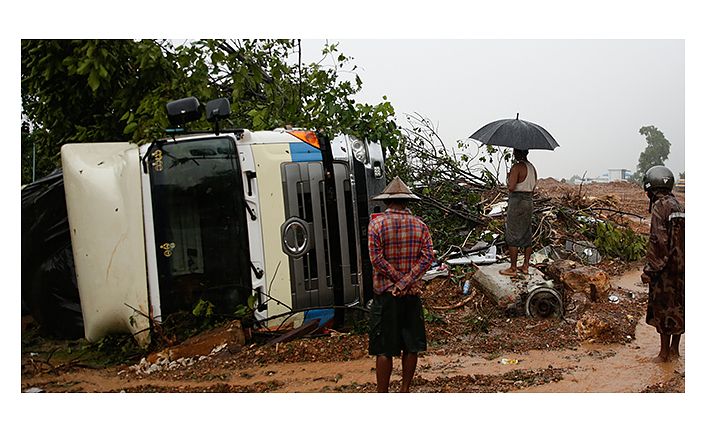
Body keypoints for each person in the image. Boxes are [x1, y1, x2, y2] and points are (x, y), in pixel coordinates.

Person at [367, 176, 434, 392]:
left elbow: (376, 259)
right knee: (411, 345)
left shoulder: (376, 224)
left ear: (387, 202)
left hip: (386, 295)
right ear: (407, 202)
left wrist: (398, 281)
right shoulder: (420, 225)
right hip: (411, 294)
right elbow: (427, 258)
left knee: (384, 349)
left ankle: (383, 393)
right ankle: (405, 390)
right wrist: (406, 282)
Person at [640, 166, 685, 362]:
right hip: (682, 268)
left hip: (665, 271)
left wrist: (650, 271)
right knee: (679, 308)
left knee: (664, 310)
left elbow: (658, 242)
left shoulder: (660, 207)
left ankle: (663, 354)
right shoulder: (678, 205)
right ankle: (675, 351)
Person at [500, 149, 537, 276]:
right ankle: (525, 266)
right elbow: (533, 188)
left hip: (517, 201)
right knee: (526, 233)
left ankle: (513, 268)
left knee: (513, 234)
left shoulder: (517, 167)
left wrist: (510, 176)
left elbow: (511, 187)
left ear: (517, 153)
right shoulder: (532, 168)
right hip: (528, 202)